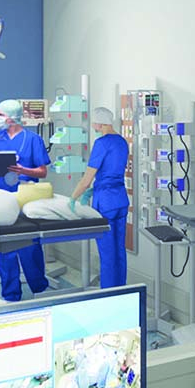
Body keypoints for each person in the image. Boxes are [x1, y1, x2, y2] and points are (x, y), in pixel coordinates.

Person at [0, 99, 51, 301]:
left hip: (24, 198)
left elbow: (43, 172)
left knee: (29, 246)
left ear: (12, 117)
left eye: (0, 115)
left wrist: (23, 170)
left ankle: (38, 287)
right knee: (5, 248)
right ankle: (11, 295)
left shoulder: (32, 139)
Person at [68, 107, 129, 288]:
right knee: (120, 251)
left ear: (100, 123)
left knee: (107, 254)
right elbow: (112, 173)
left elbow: (86, 179)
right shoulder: (122, 142)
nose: (92, 125)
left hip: (106, 204)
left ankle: (109, 296)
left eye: (93, 122)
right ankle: (121, 292)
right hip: (121, 200)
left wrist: (72, 198)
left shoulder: (101, 143)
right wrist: (94, 189)